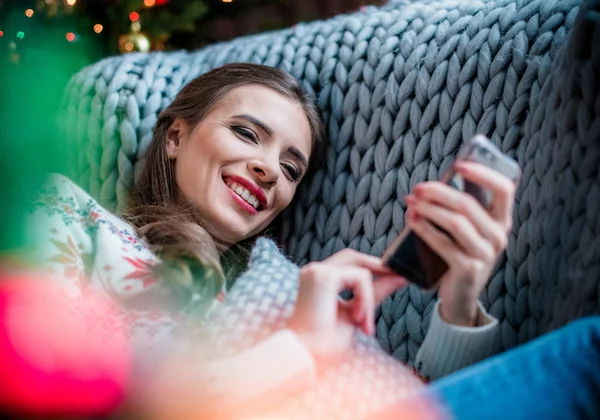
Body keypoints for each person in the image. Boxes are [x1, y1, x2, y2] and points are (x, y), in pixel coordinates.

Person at [27, 63, 599, 419]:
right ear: (176, 136)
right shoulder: (70, 215)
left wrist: (460, 299)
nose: (270, 170)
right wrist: (300, 349)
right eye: (247, 133)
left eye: (292, 168)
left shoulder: (286, 285)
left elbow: (402, 404)